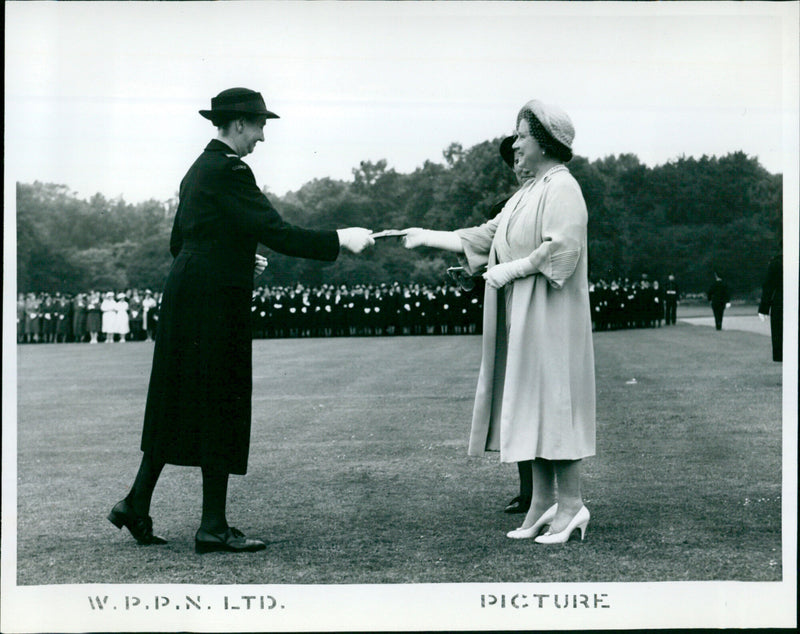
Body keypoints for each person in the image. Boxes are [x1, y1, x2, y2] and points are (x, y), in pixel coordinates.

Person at [108, 87, 374, 554]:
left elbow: (183, 241)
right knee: (221, 400)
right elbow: (277, 231)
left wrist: (234, 256)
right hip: (214, 302)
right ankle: (211, 526)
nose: (262, 137)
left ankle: (135, 503)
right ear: (238, 125)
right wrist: (339, 240)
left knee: (178, 399)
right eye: (259, 126)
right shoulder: (231, 170)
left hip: (190, 292)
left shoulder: (197, 171)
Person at [403, 99, 595, 544]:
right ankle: (543, 502)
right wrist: (426, 236)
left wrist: (512, 269)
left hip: (551, 314)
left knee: (555, 401)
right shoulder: (525, 194)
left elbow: (563, 251)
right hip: (525, 315)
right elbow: (485, 234)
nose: (515, 147)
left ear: (545, 143)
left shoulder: (562, 187)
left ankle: (571, 504)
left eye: (522, 137)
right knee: (533, 402)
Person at [758, 252, 782, 362]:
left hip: (780, 300)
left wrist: (764, 308)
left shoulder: (776, 262)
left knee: (778, 331)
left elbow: (768, 286)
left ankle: (779, 355)